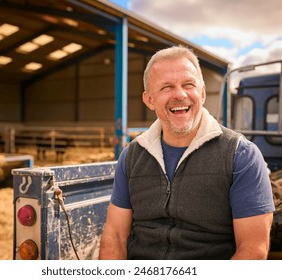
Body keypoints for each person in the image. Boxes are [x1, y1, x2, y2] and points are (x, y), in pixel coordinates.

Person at [99, 45, 275, 260]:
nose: (180, 94)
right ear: (149, 100)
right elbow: (115, 235)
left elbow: (253, 249)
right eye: (166, 87)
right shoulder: (132, 156)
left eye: (188, 84)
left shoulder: (241, 155)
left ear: (201, 92)